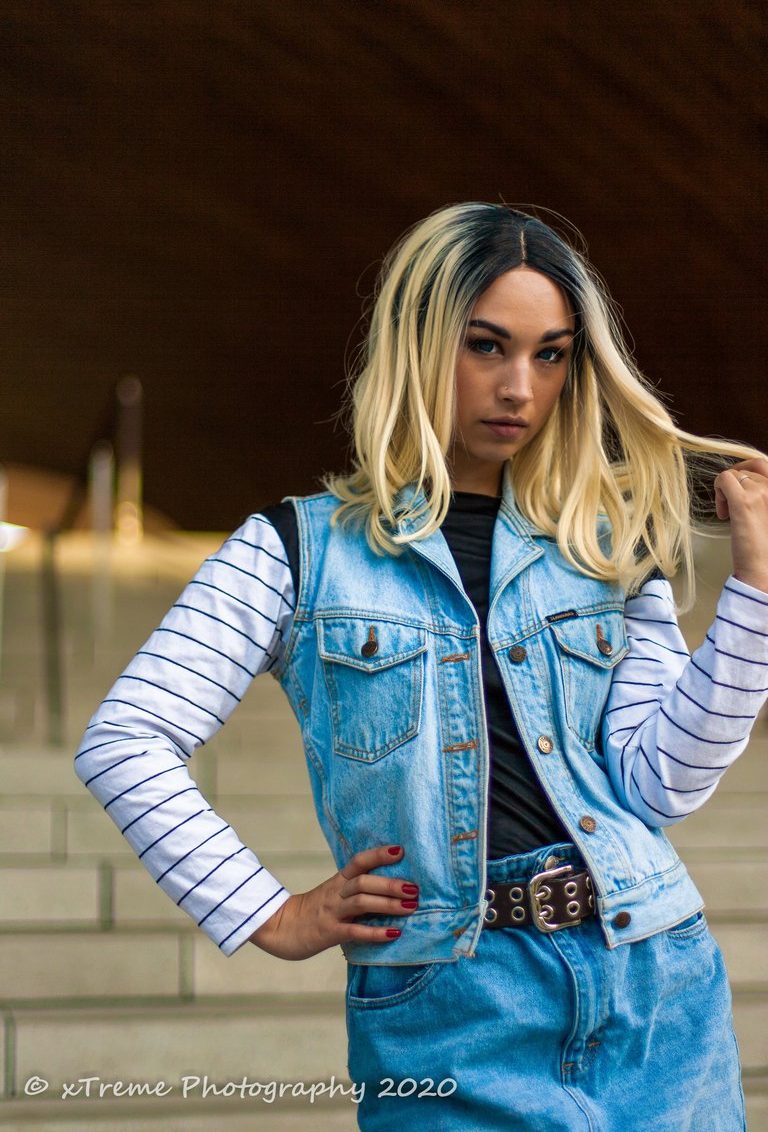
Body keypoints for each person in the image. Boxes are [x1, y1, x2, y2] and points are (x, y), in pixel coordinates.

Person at [76, 203, 768, 1130]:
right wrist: (269, 913)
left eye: (551, 353)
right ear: (418, 342)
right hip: (448, 1015)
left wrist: (755, 595)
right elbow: (126, 736)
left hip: (655, 988)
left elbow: (659, 785)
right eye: (487, 346)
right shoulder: (293, 551)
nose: (520, 386)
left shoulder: (609, 546)